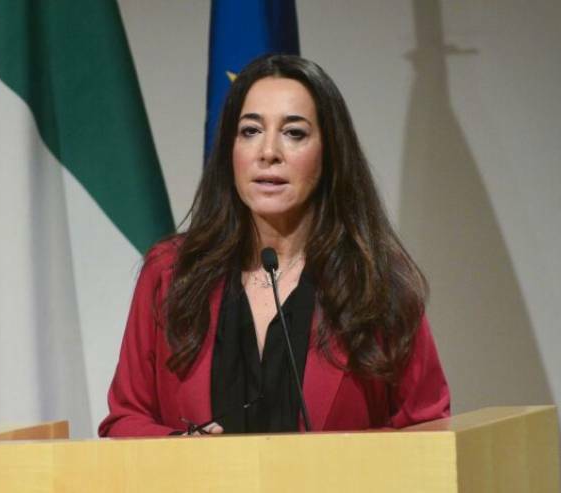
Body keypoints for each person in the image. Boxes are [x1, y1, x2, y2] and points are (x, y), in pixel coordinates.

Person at [99, 54, 450, 437]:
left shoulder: (377, 282)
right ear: (230, 150)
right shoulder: (170, 274)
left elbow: (428, 430)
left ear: (329, 152)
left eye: (294, 133)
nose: (268, 152)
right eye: (250, 131)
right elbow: (124, 419)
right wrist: (180, 448)